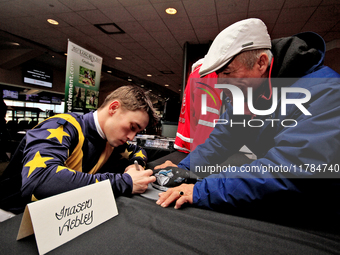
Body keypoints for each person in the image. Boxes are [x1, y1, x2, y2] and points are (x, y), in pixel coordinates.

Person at [154, 18, 340, 217]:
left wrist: (202, 190)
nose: (221, 84)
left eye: (228, 72)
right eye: (219, 75)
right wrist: (183, 168)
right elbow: (220, 140)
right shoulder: (249, 92)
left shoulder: (326, 91)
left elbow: (291, 169)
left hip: (321, 210)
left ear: (261, 62)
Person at [0, 85, 158, 214]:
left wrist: (136, 165)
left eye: (137, 132)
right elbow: (39, 180)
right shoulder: (63, 126)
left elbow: (138, 151)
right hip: (13, 214)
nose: (131, 136)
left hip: (56, 213)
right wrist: (124, 182)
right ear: (114, 108)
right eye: (132, 127)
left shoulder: (111, 139)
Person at [175, 59, 222, 153]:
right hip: (197, 147)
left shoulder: (197, 72)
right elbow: (208, 115)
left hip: (186, 139)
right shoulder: (211, 74)